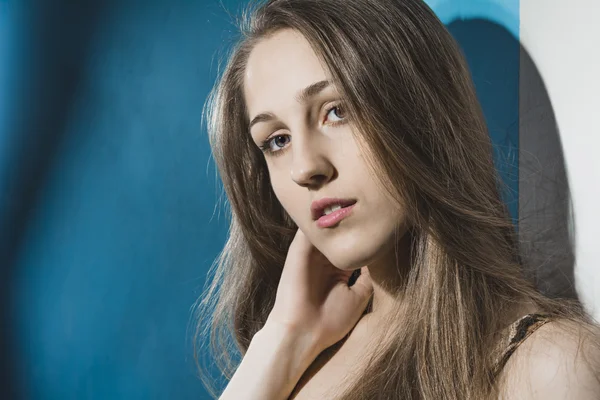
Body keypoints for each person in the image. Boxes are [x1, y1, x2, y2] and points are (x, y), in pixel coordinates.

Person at [193, 0, 600, 398]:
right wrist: (282, 338)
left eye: (336, 111)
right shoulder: (300, 353)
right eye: (277, 141)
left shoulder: (546, 368)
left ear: (421, 113)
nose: (304, 167)